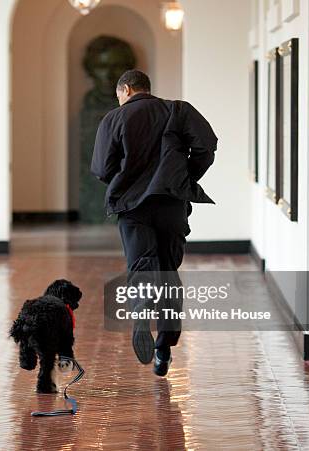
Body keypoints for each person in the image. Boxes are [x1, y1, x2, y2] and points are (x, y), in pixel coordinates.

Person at [91, 69, 217, 376]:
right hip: (171, 202)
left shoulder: (113, 119)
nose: (118, 100)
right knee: (167, 268)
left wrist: (125, 179)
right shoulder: (177, 110)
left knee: (142, 265)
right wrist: (183, 176)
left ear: (128, 90)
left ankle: (140, 316)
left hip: (133, 207)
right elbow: (207, 145)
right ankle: (163, 347)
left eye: (118, 95)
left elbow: (101, 167)